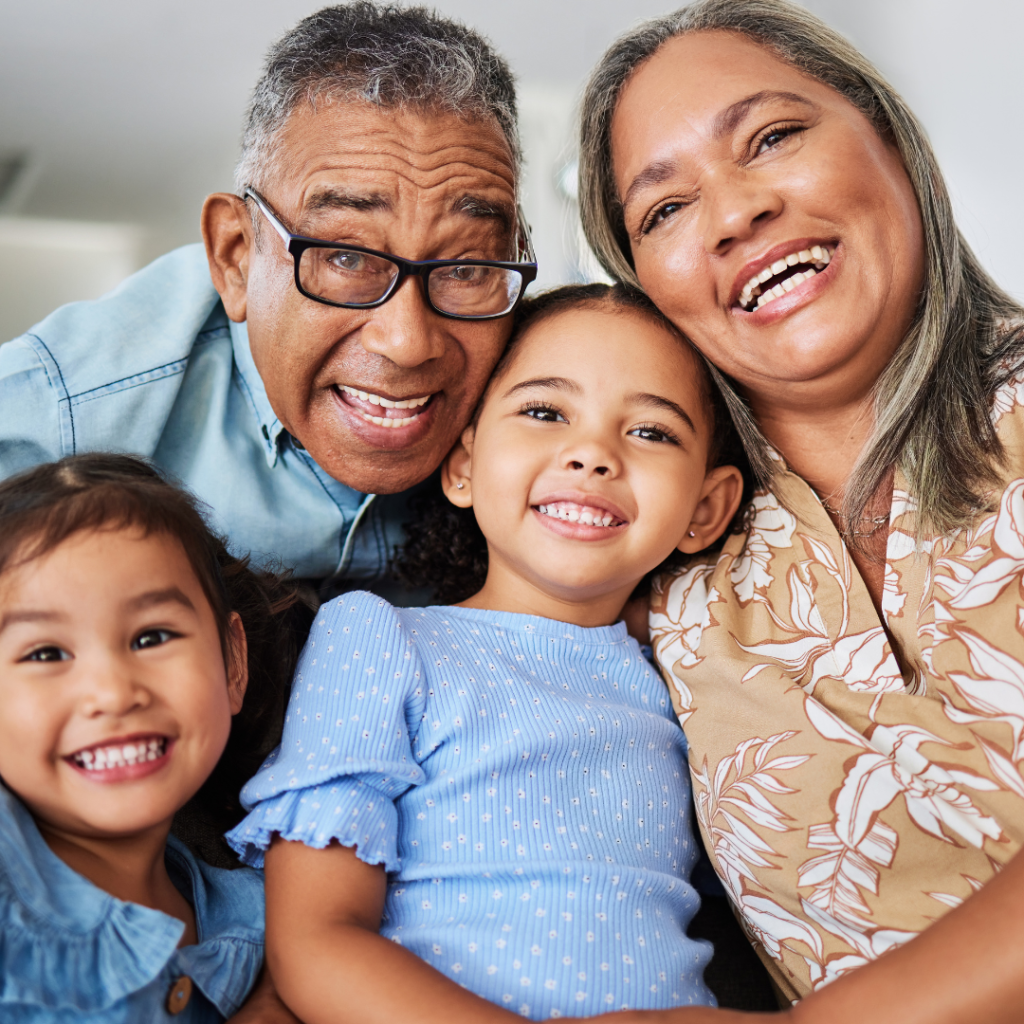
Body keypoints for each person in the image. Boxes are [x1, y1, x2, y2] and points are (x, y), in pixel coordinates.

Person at [577, 0, 1024, 1020]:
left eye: (771, 137)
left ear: (891, 140)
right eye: (663, 210)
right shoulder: (657, 580)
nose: (734, 214)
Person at [225, 284, 748, 1022]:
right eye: (544, 412)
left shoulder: (690, 675)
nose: (592, 455)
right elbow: (316, 945)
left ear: (705, 509)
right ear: (464, 464)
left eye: (653, 432)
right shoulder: (381, 641)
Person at [0, 3, 534, 593]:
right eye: (346, 257)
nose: (408, 344)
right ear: (235, 256)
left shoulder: (545, 383)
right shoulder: (59, 417)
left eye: (464, 267)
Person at [0, 453, 310, 1021]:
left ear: (232, 662)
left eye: (152, 637)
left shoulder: (268, 917)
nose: (114, 693)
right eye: (46, 653)